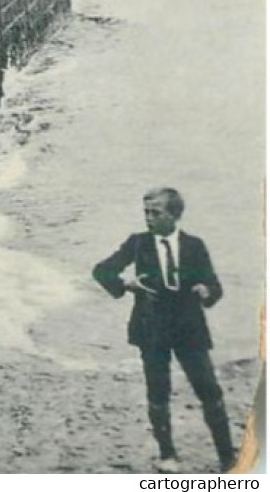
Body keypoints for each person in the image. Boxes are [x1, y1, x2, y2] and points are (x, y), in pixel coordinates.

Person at [93, 188, 237, 473]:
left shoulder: (194, 246)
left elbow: (215, 287)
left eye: (156, 212)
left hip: (189, 328)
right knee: (158, 391)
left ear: (175, 214)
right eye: (146, 212)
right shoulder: (138, 244)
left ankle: (227, 457)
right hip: (152, 327)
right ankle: (167, 454)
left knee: (209, 390)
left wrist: (205, 290)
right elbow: (101, 270)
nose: (149, 218)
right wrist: (126, 285)